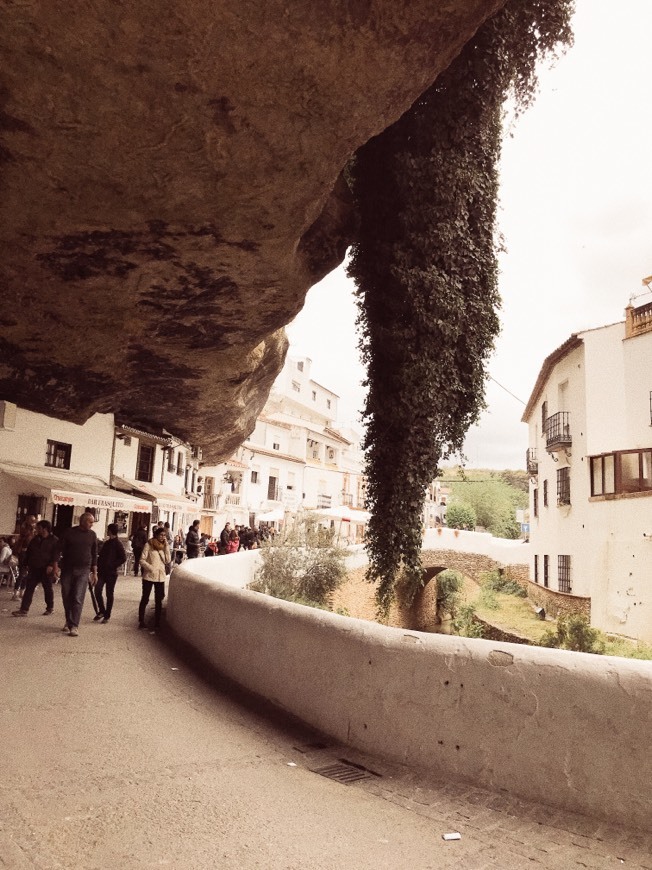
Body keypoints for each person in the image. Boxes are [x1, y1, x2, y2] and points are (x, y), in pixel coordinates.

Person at [59, 512, 98, 637]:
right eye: (90, 522)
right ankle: (69, 620)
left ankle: (74, 625)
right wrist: (55, 565)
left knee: (77, 597)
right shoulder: (69, 533)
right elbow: (59, 549)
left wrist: (95, 573)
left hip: (83, 570)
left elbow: (94, 554)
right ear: (83, 521)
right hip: (68, 569)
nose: (92, 525)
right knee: (66, 595)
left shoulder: (92, 535)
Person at [11, 520, 59, 617]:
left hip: (46, 568)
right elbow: (29, 552)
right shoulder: (35, 539)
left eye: (39, 528)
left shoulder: (54, 540)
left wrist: (51, 566)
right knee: (29, 588)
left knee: (48, 588)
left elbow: (56, 555)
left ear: (45, 529)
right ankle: (24, 610)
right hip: (34, 568)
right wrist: (25, 564)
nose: (36, 530)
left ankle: (50, 607)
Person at [138, 526, 170, 631]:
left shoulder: (164, 546)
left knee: (159, 600)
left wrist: (166, 548)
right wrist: (151, 568)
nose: (163, 537)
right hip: (149, 576)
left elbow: (167, 560)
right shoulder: (149, 545)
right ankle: (141, 621)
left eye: (164, 535)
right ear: (156, 535)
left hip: (160, 577)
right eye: (161, 535)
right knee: (145, 598)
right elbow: (142, 560)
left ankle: (157, 623)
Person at [94, 523, 126, 624]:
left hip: (111, 573)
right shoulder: (107, 543)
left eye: (108, 530)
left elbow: (123, 558)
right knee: (97, 590)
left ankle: (107, 615)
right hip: (103, 572)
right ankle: (102, 610)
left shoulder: (118, 544)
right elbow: (102, 556)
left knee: (109, 593)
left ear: (110, 531)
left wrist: (112, 565)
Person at [11, 514, 37, 599]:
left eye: (34, 521)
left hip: (28, 553)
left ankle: (22, 592)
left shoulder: (31, 531)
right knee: (22, 573)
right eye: (32, 521)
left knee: (26, 574)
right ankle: (15, 593)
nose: (33, 523)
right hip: (23, 554)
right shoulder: (25, 529)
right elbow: (26, 539)